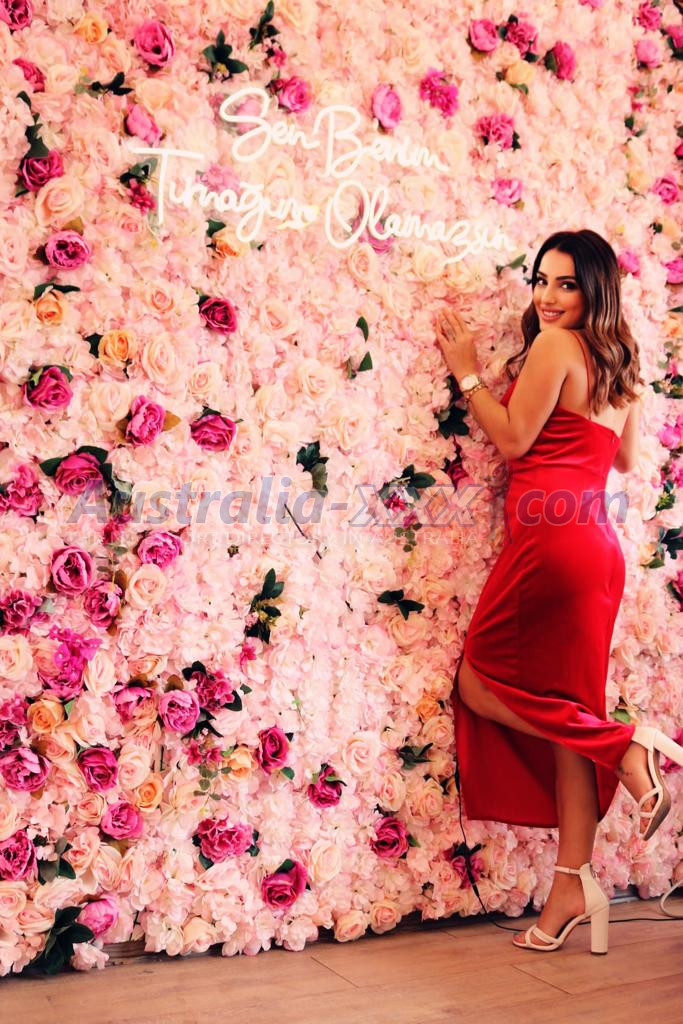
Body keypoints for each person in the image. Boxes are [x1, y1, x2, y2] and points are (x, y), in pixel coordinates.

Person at [434, 228, 683, 954]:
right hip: (596, 549)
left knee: (478, 684)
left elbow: (514, 439)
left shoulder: (553, 347)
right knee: (569, 713)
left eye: (565, 283)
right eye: (540, 280)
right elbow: (626, 457)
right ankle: (571, 884)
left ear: (593, 289)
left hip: (550, 540)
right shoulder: (620, 358)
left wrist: (467, 374)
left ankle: (625, 748)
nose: (547, 296)